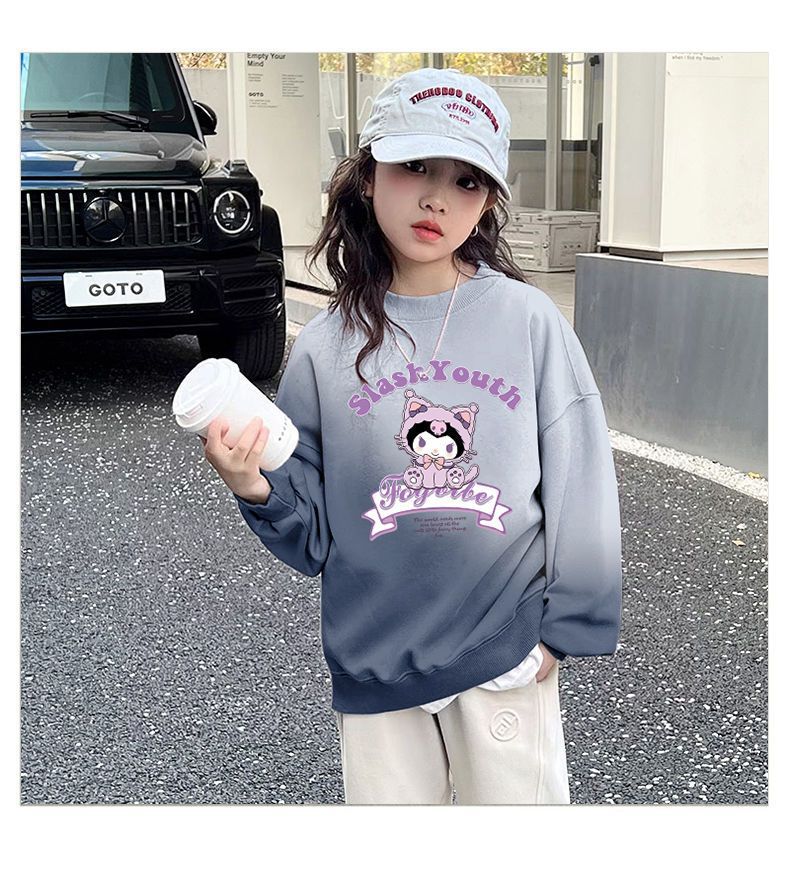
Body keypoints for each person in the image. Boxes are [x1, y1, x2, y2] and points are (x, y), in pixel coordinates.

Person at [199, 67, 622, 805]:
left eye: (467, 181)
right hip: (376, 664)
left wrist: (564, 629)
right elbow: (313, 535)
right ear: (368, 176)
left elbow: (581, 477)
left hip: (502, 650)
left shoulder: (528, 322)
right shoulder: (325, 348)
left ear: (487, 202)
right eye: (415, 166)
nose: (437, 198)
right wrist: (253, 484)